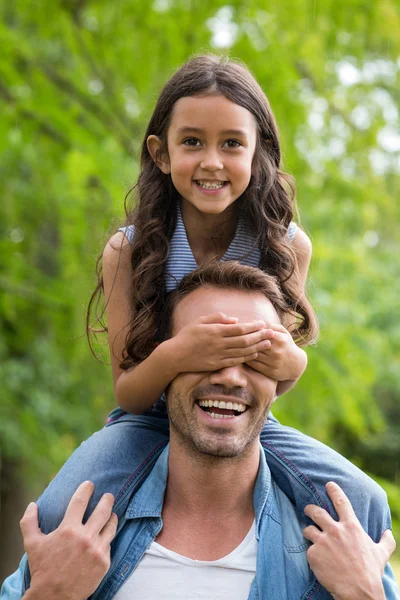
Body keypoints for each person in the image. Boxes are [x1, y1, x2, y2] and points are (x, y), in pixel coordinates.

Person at [0, 52, 392, 585]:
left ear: (259, 154)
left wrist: (290, 361)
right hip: (146, 424)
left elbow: (271, 383)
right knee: (61, 506)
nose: (212, 161)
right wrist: (181, 354)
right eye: (192, 142)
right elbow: (129, 392)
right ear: (160, 154)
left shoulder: (285, 247)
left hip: (238, 420)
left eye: (232, 143)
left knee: (363, 501)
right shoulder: (128, 252)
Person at [2, 262, 398, 599]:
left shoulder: (341, 542)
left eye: (256, 358)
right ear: (164, 367)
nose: (229, 376)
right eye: (205, 353)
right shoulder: (80, 535)